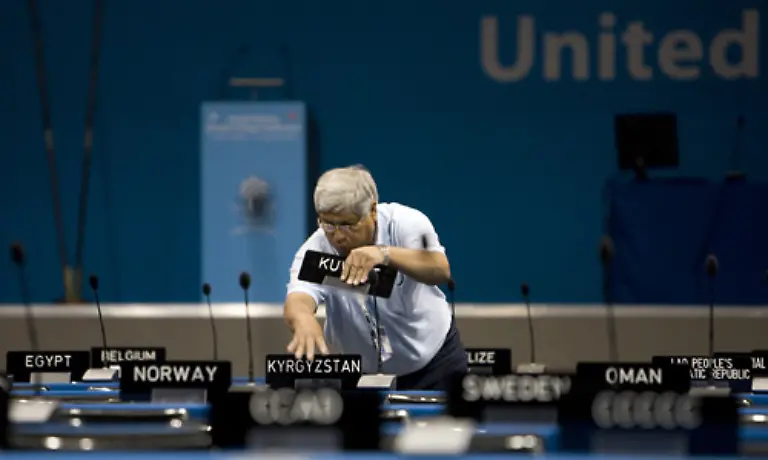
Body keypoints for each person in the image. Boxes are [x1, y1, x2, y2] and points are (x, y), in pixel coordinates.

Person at [283, 165, 467, 390]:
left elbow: (439, 269)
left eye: (348, 224)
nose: (338, 236)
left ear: (371, 211)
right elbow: (298, 298)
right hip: (360, 373)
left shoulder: (405, 223)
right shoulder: (317, 248)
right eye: (328, 223)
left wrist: (385, 254)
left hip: (434, 362)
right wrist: (303, 319)